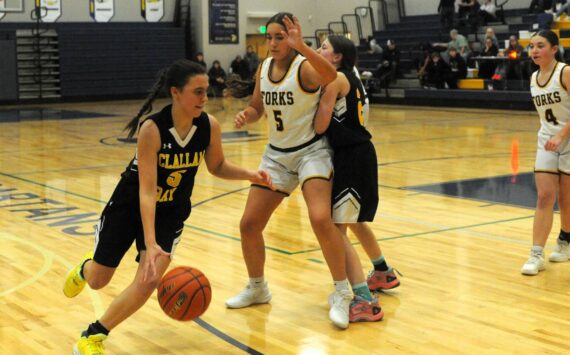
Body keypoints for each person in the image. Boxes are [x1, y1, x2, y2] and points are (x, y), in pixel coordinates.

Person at [63, 59, 273, 354]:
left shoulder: (208, 126)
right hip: (130, 205)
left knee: (149, 279)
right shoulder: (153, 129)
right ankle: (86, 268)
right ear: (176, 93)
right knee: (99, 280)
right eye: (197, 92)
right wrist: (148, 242)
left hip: (171, 211)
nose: (205, 98)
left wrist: (250, 174)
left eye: (206, 91)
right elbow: (146, 192)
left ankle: (93, 335)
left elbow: (218, 166)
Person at [224, 13, 353, 329]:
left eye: (280, 37)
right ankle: (258, 288)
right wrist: (247, 115)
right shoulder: (263, 69)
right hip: (277, 157)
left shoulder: (305, 67)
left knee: (321, 219)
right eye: (270, 37)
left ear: (292, 38)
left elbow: (330, 74)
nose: (272, 43)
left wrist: (303, 46)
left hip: (311, 152)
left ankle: (343, 293)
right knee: (249, 224)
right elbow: (258, 107)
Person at [315, 35, 404, 321]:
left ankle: (363, 299)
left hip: (351, 157)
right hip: (360, 153)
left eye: (324, 47)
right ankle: (382, 271)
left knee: (336, 229)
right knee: (353, 222)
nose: (319, 51)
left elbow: (319, 125)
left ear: (338, 56)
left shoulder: (337, 80)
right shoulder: (352, 76)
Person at [522, 30, 570, 275]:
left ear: (554, 48)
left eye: (540, 45)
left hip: (568, 140)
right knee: (544, 196)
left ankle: (566, 239)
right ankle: (536, 253)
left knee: (566, 198)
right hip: (546, 141)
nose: (534, 51)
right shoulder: (533, 78)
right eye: (531, 46)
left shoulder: (565, 72)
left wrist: (562, 134)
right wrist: (553, 135)